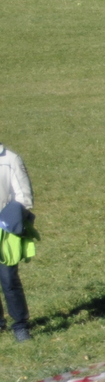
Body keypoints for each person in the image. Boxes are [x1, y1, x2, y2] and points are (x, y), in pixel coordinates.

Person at [0, 143, 35, 343]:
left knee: (8, 279)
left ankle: (21, 325)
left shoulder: (10, 159)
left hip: (5, 228)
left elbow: (24, 196)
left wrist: (10, 219)